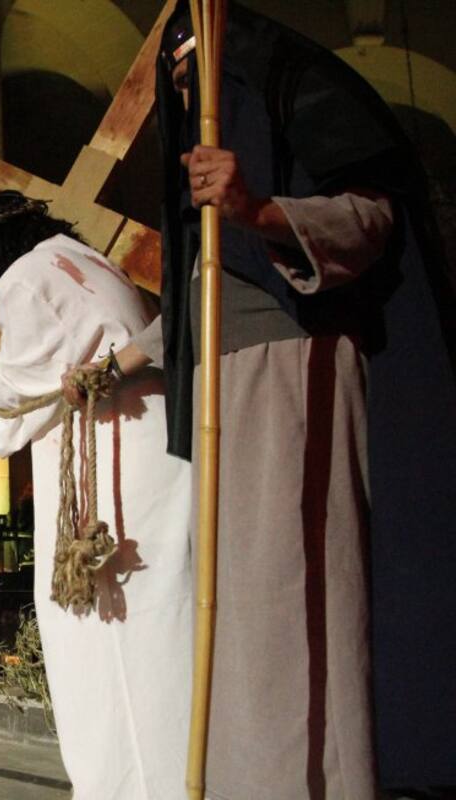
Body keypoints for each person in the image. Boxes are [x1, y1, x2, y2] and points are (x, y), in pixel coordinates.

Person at [64, 4, 456, 795]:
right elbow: (196, 300)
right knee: (235, 614)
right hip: (222, 391)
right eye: (174, 78)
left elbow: (367, 217)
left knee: (291, 602)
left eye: (196, 71)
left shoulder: (295, 95)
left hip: (291, 371)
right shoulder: (198, 181)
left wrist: (257, 210)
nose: (186, 92)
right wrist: (108, 369)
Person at [0, 191, 193, 800]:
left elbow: (22, 386)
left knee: (100, 634)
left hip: (111, 456)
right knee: (165, 618)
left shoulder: (22, 277)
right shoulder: (92, 260)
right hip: (159, 444)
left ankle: (125, 788)